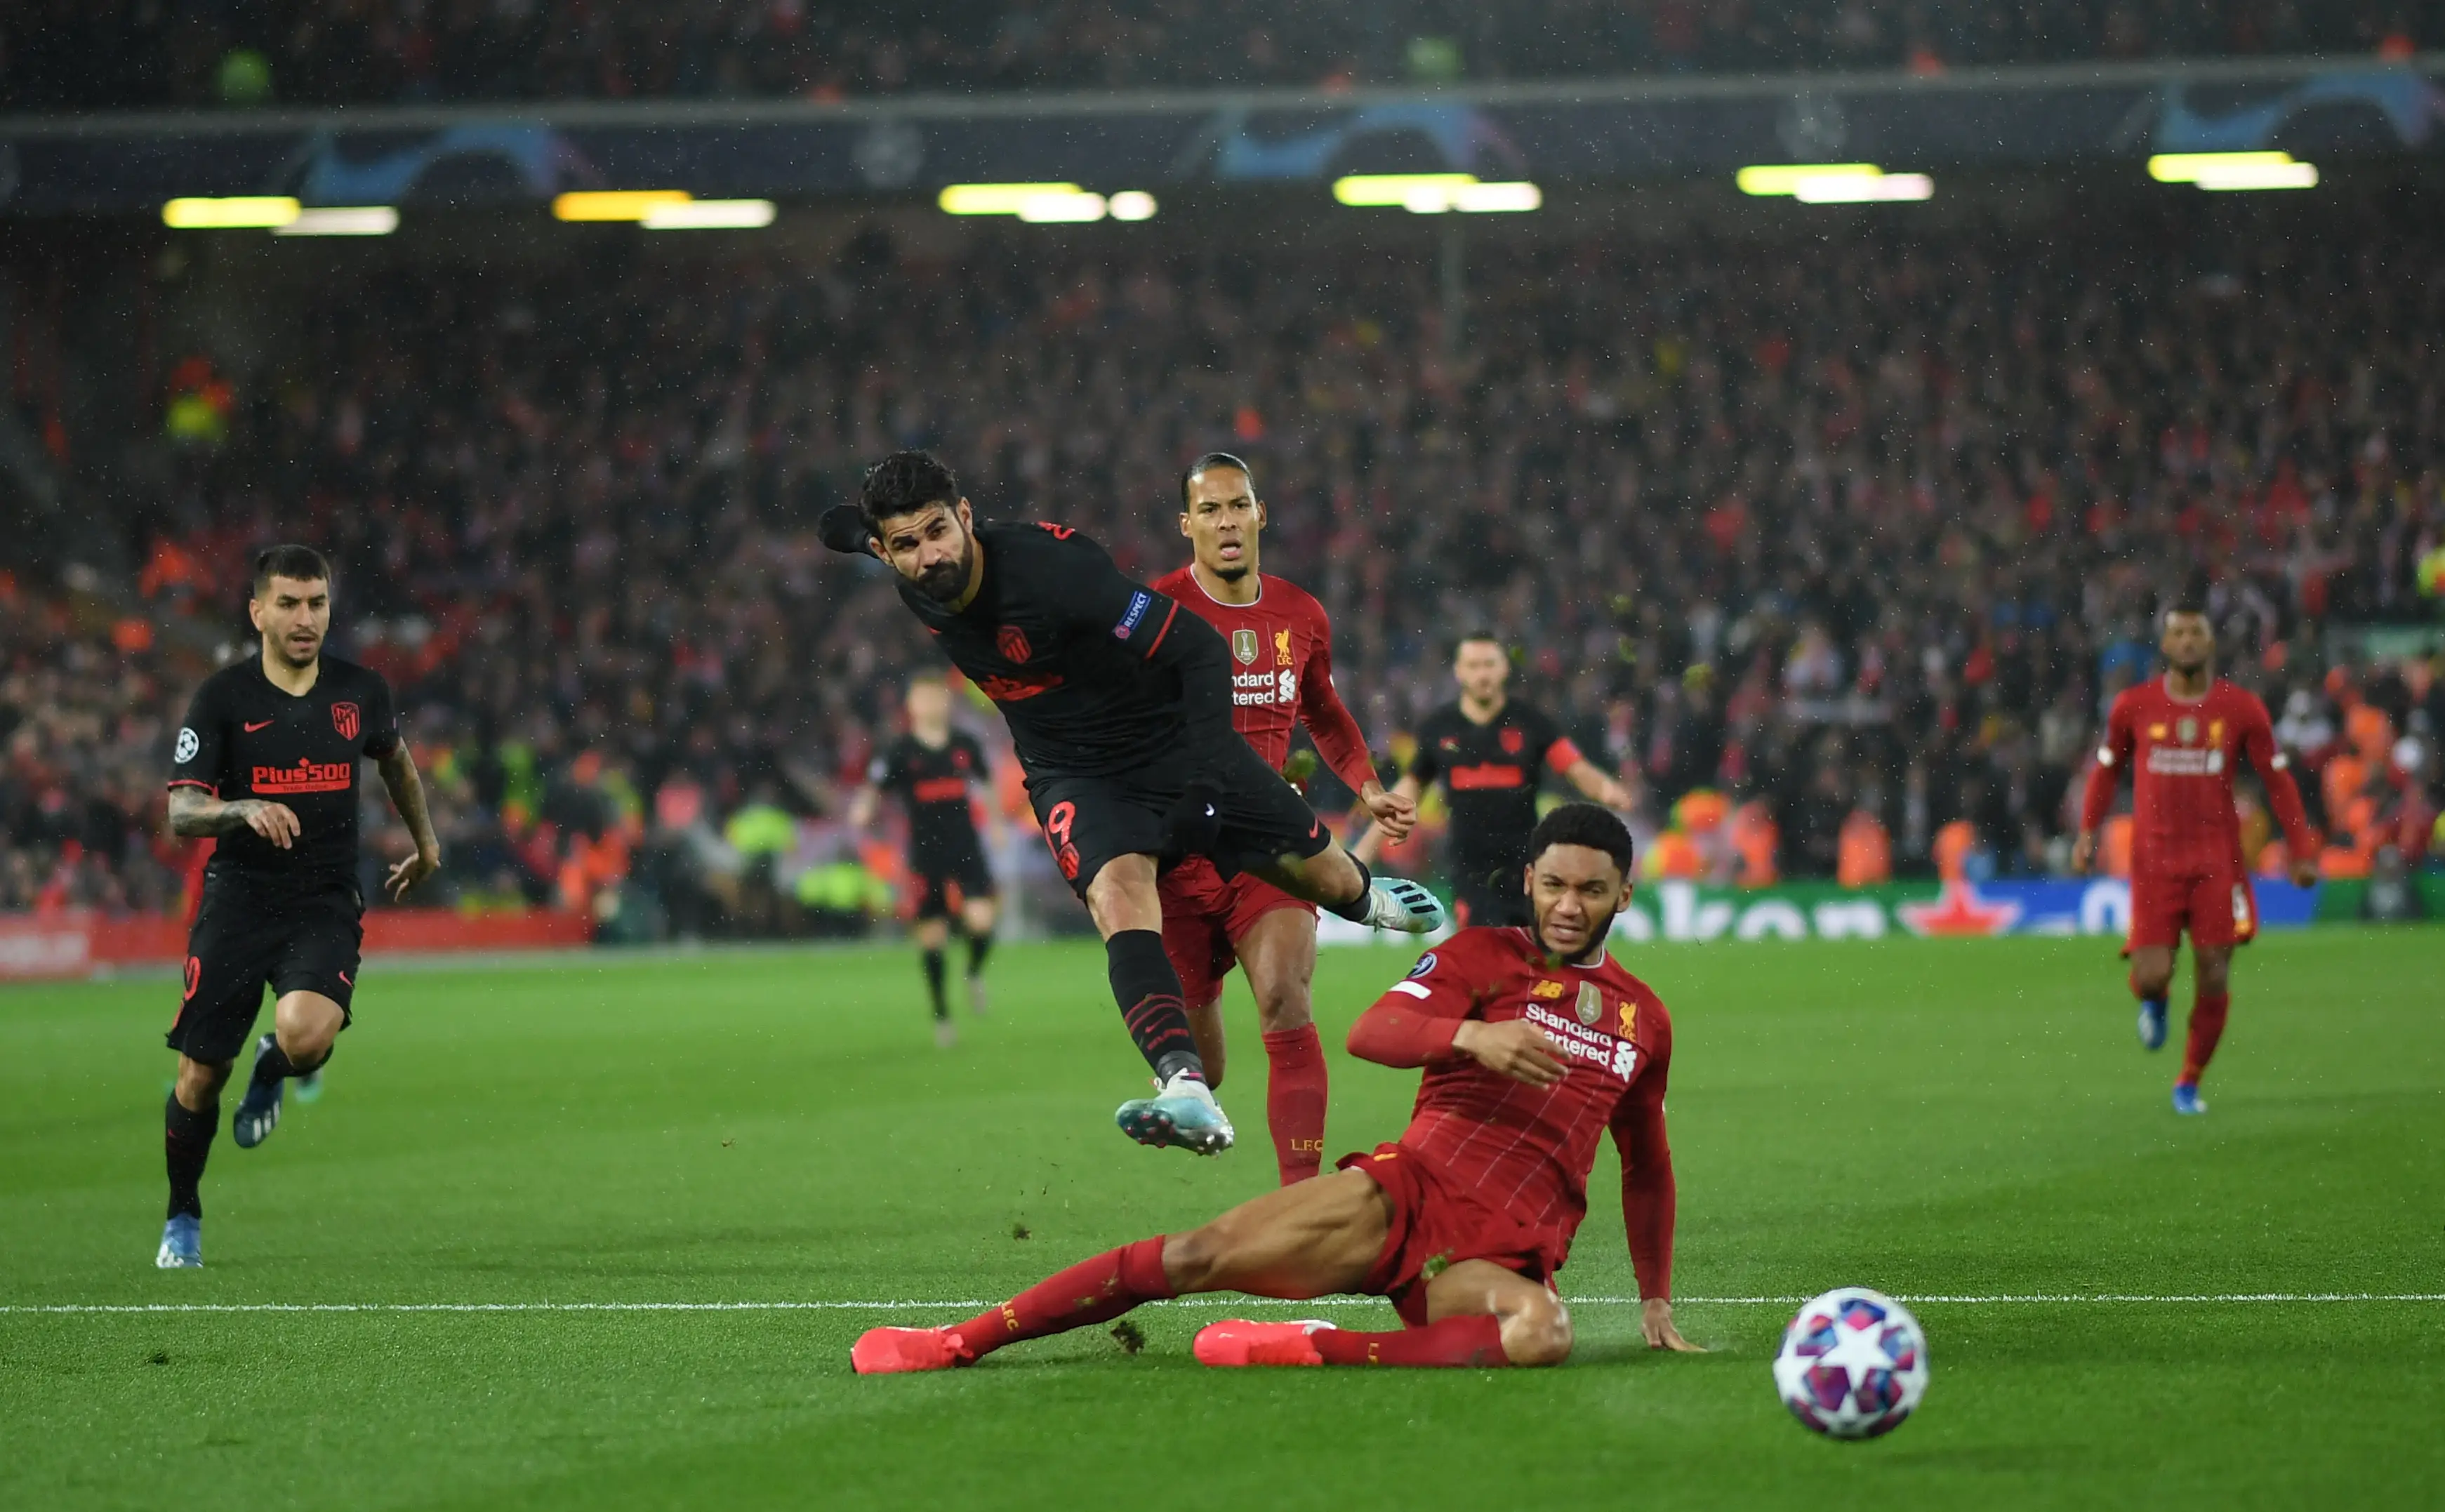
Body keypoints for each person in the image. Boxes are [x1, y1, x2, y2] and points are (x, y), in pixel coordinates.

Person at [850, 804, 1699, 1372]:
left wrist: (1655, 1298)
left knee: (1544, 1333)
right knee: (1196, 1256)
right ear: (1530, 880)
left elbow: (1647, 1165)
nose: (1568, 905)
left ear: (1624, 894)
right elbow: (1373, 1033)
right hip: (1405, 1199)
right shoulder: (1483, 957)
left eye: (1591, 890)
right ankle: (957, 1341)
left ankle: (1316, 1346)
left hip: (1500, 1255)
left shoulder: (1645, 1022)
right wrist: (1471, 1035)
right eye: (1554, 885)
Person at [819, 451, 1444, 1157]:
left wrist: (1205, 786)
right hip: (1073, 773)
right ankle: (1184, 1088)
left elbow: (1200, 651)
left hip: (1168, 739)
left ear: (966, 516)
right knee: (1116, 897)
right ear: (883, 551)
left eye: (939, 532)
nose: (930, 556)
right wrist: (847, 531)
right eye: (906, 544)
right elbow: (851, 531)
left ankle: (1369, 900)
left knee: (1329, 881)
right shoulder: (908, 564)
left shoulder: (1056, 573)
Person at [156, 545, 442, 1268]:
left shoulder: (360, 691)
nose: (305, 618)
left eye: (316, 603)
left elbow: (396, 760)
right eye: (288, 604)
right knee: (200, 1078)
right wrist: (241, 808)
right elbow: (182, 812)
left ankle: (274, 1067)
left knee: (307, 1037)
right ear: (258, 612)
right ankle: (182, 1214)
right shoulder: (221, 699)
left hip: (322, 898)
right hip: (238, 900)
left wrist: (426, 843)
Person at [1148, 452, 1417, 1183]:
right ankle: (1186, 1090)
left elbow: (1323, 711)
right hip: (1177, 857)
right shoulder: (1155, 612)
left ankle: (1299, 1205)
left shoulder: (1302, 615)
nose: (1226, 522)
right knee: (1201, 1067)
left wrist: (1367, 786)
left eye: (1238, 506)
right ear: (1187, 525)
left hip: (1270, 845)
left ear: (1260, 515)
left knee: (1283, 997)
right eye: (1209, 510)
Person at [2072, 599, 2318, 1115]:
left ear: (2210, 642)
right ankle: (2154, 1001)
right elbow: (2105, 771)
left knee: (2213, 971)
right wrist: (2087, 833)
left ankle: (2188, 1082)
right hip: (2154, 863)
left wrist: (2300, 848)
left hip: (2217, 862)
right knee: (2152, 975)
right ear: (2164, 644)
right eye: (2178, 633)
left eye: (2195, 633)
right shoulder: (2132, 706)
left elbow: (2277, 780)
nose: (2186, 641)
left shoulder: (2241, 708)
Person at [1357, 633, 1632, 927]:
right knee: (1480, 947)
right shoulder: (1439, 728)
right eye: (1474, 666)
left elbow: (1575, 767)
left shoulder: (1531, 723)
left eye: (1489, 664)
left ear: (1504, 669)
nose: (1482, 674)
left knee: (1530, 948)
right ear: (1459, 671)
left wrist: (1607, 790)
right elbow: (1409, 789)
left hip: (1527, 864)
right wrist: (1362, 854)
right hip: (1470, 868)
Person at [849, 675, 1001, 1047]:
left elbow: (986, 783)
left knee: (982, 921)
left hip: (965, 846)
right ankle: (942, 1016)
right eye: (924, 697)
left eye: (938, 697)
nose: (932, 704)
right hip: (925, 852)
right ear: (912, 705)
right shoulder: (900, 750)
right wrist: (863, 810)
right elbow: (875, 788)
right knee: (932, 938)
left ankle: (973, 971)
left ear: (947, 702)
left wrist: (997, 825)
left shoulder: (964, 745)